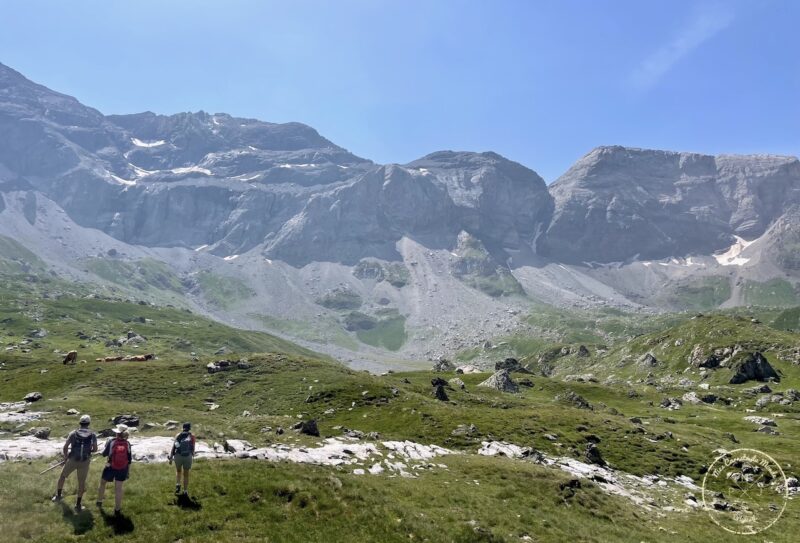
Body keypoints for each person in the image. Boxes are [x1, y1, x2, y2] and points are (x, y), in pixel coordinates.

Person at [52, 414, 98, 510]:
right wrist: (89, 450)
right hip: (85, 461)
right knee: (81, 483)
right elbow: (95, 449)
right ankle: (78, 505)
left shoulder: (73, 433)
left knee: (62, 476)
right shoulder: (92, 434)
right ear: (88, 423)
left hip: (72, 459)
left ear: (80, 423)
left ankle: (58, 496)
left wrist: (65, 457)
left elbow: (65, 447)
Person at [96, 424, 132, 515]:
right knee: (118, 488)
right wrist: (128, 471)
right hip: (123, 468)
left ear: (117, 433)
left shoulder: (112, 442)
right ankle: (117, 509)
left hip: (110, 467)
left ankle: (99, 501)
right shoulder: (127, 444)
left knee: (103, 482)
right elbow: (129, 459)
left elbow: (104, 454)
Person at [168, 422, 196, 496]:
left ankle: (178, 484)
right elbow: (193, 447)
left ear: (183, 428)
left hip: (178, 456)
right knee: (186, 474)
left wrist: (171, 457)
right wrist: (192, 455)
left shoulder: (178, 435)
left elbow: (174, 447)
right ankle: (185, 491)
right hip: (188, 456)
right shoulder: (192, 436)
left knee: (178, 471)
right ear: (189, 428)